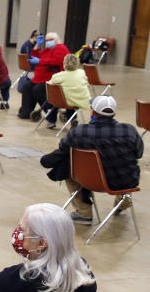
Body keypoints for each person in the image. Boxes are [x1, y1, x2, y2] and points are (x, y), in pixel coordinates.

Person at [41, 96, 143, 225]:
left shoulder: (78, 132)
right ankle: (123, 201)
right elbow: (139, 153)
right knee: (124, 165)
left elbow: (62, 150)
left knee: (69, 167)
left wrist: (46, 161)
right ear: (114, 113)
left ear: (93, 112)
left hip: (91, 181)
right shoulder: (129, 130)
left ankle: (83, 213)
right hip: (126, 181)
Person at [18, 32, 70, 120]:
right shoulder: (48, 49)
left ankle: (50, 112)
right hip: (40, 78)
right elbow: (33, 57)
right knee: (27, 87)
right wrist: (37, 46)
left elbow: (56, 61)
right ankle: (26, 112)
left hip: (52, 79)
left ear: (57, 40)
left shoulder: (61, 48)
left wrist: (40, 61)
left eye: (50, 40)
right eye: (47, 40)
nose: (48, 42)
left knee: (37, 90)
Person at [44, 53, 90, 129]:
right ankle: (73, 119)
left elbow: (50, 84)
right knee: (71, 96)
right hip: (82, 101)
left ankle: (51, 121)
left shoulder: (59, 75)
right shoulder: (82, 73)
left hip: (66, 102)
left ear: (64, 64)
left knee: (53, 98)